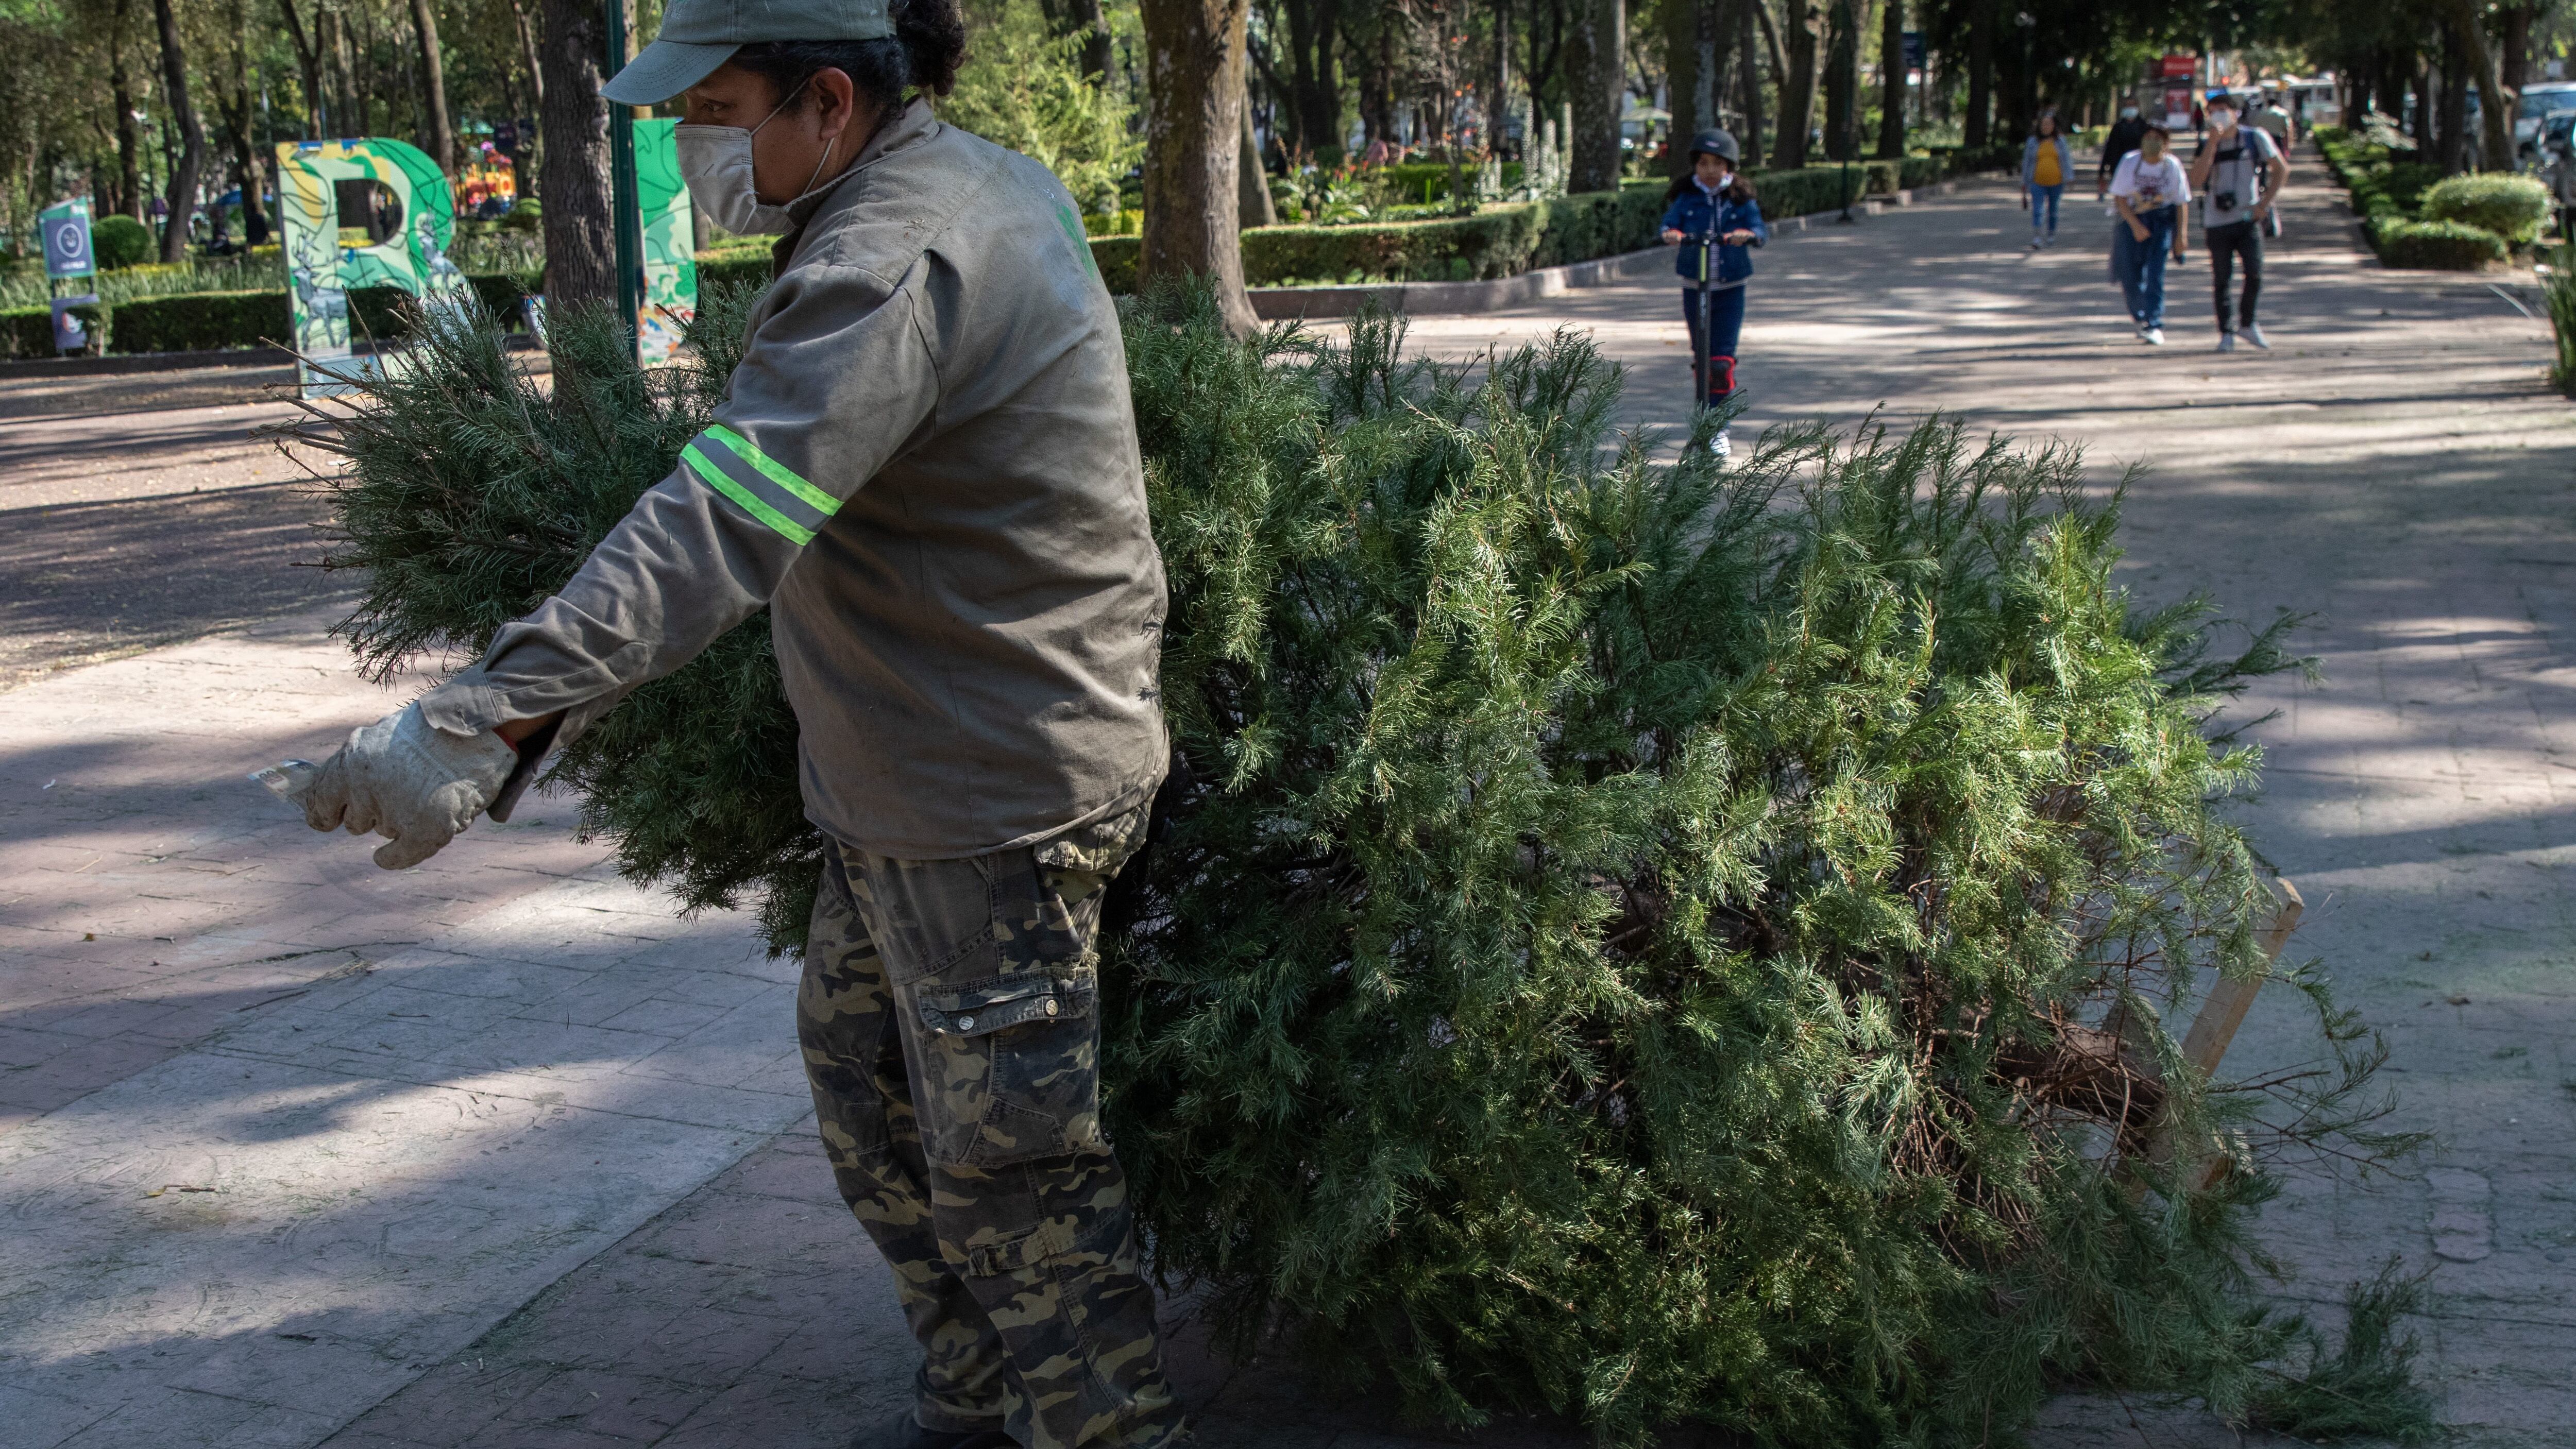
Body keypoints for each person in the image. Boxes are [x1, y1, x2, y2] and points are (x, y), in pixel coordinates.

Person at [284, 0, 1185, 1445]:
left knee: (1015, 1180)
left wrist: (479, 715)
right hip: (921, 785)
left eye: (714, 112)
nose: (692, 144)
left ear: (828, 100)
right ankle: (974, 1389)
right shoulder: (934, 188)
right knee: (873, 1103)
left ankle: (1101, 1425)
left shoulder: (893, 259)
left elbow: (721, 519)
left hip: (993, 801)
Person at [1657, 128, 1769, 461]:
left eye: (1717, 164)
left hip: (1730, 289)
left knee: (1721, 362)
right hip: (1696, 288)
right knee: (1702, 359)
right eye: (1703, 163)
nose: (1709, 170)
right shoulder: (1687, 197)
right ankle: (1702, 423)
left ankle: (1719, 428)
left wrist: (1746, 234)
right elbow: (1669, 224)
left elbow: (1759, 230)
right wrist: (1672, 234)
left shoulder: (1739, 198)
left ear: (1728, 167)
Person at [2190, 92, 2288, 351]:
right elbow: (2196, 180)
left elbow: (2281, 169)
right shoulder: (2206, 143)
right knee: (2222, 278)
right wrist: (2212, 143)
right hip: (2216, 221)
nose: (2218, 115)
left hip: (2247, 218)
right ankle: (2226, 332)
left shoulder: (2255, 138)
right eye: (2213, 111)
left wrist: (2263, 204)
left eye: (2223, 110)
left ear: (2235, 113)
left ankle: (2248, 323)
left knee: (2255, 272)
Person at [2108, 119, 2191, 345]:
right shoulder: (2130, 162)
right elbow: (2120, 198)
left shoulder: (2172, 166)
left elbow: (2181, 202)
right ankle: (2140, 315)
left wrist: (2181, 235)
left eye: (2157, 139)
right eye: (2148, 138)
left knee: (2156, 272)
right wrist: (2135, 225)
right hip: (2131, 219)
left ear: (2166, 143)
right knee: (2129, 274)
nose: (2152, 142)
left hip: (2161, 221)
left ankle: (2154, 322)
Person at [2021, 110, 2074, 248]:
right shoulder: (2033, 142)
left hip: (2056, 182)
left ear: (2054, 125)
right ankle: (2037, 237)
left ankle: (2051, 234)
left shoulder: (2060, 141)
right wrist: (2024, 182)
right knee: (2038, 210)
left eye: (2049, 124)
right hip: (2037, 181)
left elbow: (2066, 160)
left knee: (2053, 210)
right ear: (2039, 126)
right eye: (2044, 124)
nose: (2046, 127)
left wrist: (2069, 177)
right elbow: (2027, 162)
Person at [2097, 100, 2149, 200]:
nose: (2130, 108)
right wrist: (2102, 173)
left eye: (2132, 106)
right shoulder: (2118, 127)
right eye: (2127, 106)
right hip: (2119, 168)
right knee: (2122, 198)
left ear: (2137, 108)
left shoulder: (2144, 127)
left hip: (2140, 168)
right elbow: (2109, 149)